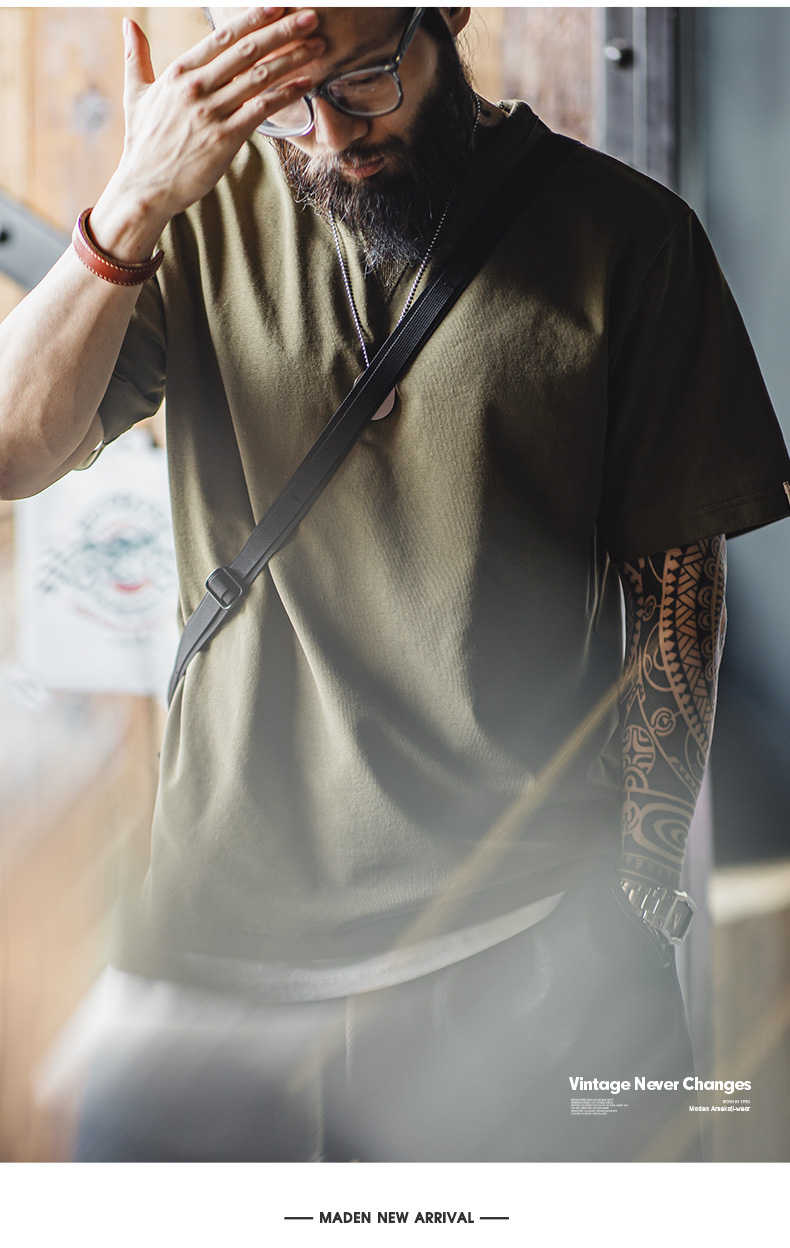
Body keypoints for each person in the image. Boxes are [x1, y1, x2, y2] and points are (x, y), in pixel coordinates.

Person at [1, 7, 789, 1163]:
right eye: (285, 101)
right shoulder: (191, 219)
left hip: (519, 946)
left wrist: (638, 887)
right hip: (217, 955)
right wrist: (128, 206)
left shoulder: (630, 240)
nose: (330, 134)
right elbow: (12, 450)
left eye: (367, 78)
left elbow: (674, 589)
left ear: (447, 15)